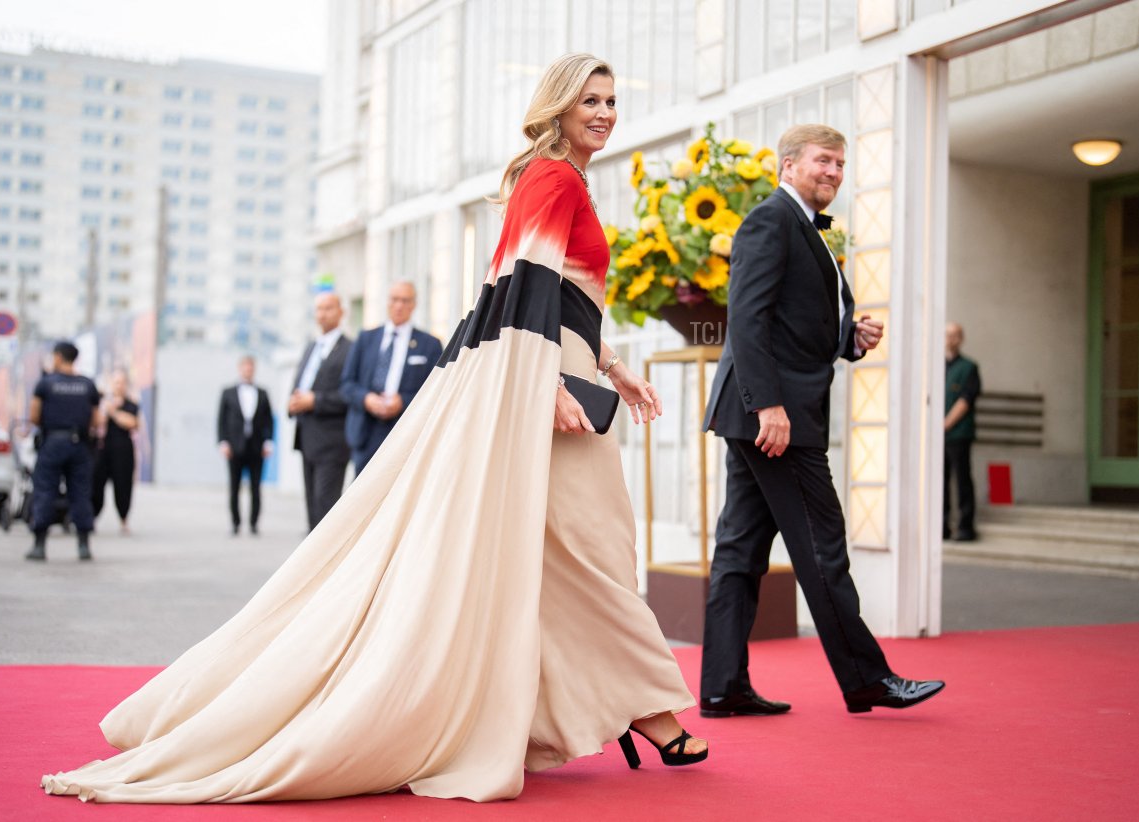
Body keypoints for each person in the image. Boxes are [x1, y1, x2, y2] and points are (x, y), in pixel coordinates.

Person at [41, 53, 705, 806]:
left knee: (560, 549)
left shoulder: (558, 180)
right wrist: (550, 381)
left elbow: (557, 297)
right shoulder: (552, 178)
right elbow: (524, 290)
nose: (606, 112)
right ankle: (647, 708)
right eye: (590, 99)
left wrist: (612, 367)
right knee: (590, 545)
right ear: (555, 107)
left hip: (552, 369)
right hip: (540, 380)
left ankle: (583, 707)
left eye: (612, 100)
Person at [699, 124, 944, 717]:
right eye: (823, 161)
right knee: (822, 546)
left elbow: (788, 322)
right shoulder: (770, 220)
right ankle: (865, 679)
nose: (834, 172)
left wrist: (847, 337)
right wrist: (769, 406)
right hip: (774, 418)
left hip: (765, 411)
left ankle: (721, 687)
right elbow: (748, 321)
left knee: (740, 550)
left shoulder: (807, 227)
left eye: (840, 164)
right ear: (788, 166)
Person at [340, 281, 442, 475]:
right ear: (387, 302)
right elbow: (347, 384)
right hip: (366, 431)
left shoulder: (429, 345)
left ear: (414, 305)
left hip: (405, 433)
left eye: (405, 301)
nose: (399, 306)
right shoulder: (365, 339)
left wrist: (402, 401)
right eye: (395, 300)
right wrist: (367, 399)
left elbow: (436, 392)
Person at [25, 341, 101, 561]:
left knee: (45, 491)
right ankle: (84, 546)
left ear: (58, 357)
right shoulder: (87, 385)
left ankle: (39, 546)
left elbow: (34, 417)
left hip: (53, 443)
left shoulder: (46, 384)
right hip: (80, 445)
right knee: (80, 494)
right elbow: (96, 420)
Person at [288, 293, 352, 530]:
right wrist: (292, 402)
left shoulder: (349, 349)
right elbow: (300, 383)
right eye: (318, 309)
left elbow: (348, 393)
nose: (322, 313)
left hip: (333, 441)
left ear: (341, 312)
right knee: (312, 507)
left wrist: (315, 401)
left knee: (326, 507)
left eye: (328, 308)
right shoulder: (310, 347)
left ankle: (326, 563)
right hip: (306, 438)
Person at [216, 356, 274, 536]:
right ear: (240, 368)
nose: (248, 370)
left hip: (256, 447)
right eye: (245, 367)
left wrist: (268, 441)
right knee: (234, 487)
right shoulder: (228, 392)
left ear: (254, 369)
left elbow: (268, 420)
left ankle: (254, 523)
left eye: (251, 367)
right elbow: (221, 420)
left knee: (256, 488)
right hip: (235, 447)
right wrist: (223, 442)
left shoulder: (263, 393)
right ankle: (235, 523)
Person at [944, 322, 981, 541]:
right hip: (938, 435)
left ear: (961, 338)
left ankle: (966, 526)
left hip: (959, 433)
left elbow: (966, 399)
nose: (950, 339)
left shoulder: (969, 367)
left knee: (962, 479)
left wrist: (946, 423)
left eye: (955, 335)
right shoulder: (936, 366)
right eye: (947, 335)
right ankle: (942, 526)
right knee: (939, 480)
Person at [91, 369, 140, 535]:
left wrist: (114, 412)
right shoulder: (102, 402)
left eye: (122, 382)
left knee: (123, 485)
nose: (119, 386)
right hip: (104, 449)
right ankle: (92, 517)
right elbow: (97, 422)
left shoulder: (131, 404)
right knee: (97, 484)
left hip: (123, 450)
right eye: (116, 382)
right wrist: (107, 409)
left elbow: (132, 423)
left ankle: (124, 519)